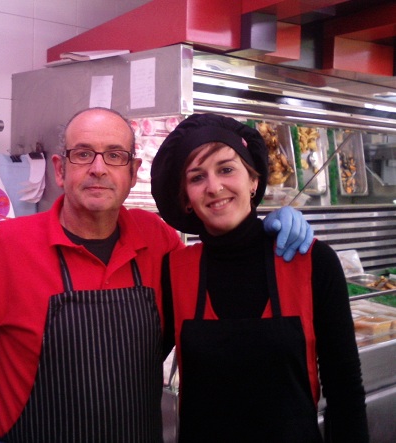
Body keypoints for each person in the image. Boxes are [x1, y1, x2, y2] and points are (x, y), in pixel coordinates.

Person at [0, 108, 313, 443]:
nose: (98, 168)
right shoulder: (4, 248)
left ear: (132, 172)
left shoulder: (159, 241)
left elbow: (226, 287)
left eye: (115, 155)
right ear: (60, 169)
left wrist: (263, 231)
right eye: (83, 154)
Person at [150, 113, 369, 443]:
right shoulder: (175, 269)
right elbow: (140, 364)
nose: (214, 187)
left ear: (254, 181)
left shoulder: (313, 262)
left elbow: (345, 387)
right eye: (197, 177)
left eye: (226, 169)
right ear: (187, 199)